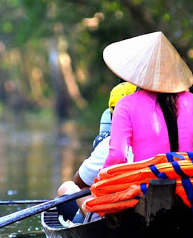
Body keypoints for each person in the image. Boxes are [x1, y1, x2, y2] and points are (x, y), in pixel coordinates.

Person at [102, 31, 193, 169]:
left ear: (139, 70)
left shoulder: (125, 105)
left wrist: (101, 178)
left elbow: (118, 156)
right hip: (188, 186)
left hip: (146, 186)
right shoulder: (192, 101)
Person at [56, 82, 137, 222]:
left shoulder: (109, 144)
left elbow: (78, 180)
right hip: (140, 208)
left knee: (67, 187)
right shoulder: (159, 140)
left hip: (109, 218)